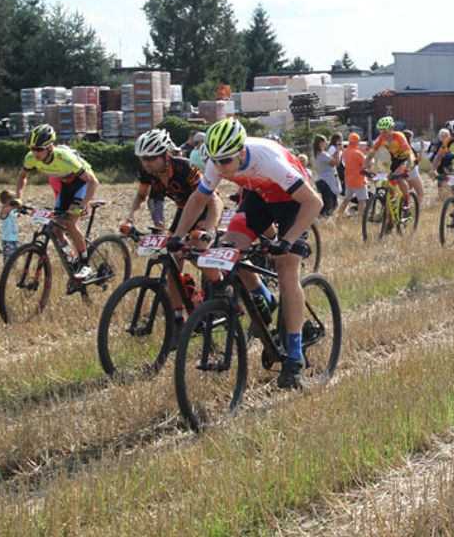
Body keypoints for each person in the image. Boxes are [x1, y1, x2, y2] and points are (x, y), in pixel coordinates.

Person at [171, 117, 322, 390]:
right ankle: (267, 302)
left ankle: (295, 357)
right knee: (230, 253)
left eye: (225, 162)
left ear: (241, 153)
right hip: (259, 197)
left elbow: (314, 202)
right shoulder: (219, 159)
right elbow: (198, 199)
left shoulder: (269, 161)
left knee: (286, 269)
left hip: (294, 203)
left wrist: (287, 241)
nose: (220, 168)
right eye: (215, 161)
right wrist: (178, 236)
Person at [122, 128, 221, 334]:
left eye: (150, 158)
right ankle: (178, 318)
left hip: (204, 209)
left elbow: (214, 200)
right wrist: (130, 219)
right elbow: (144, 198)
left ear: (165, 155)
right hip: (183, 212)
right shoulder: (148, 173)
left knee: (197, 255)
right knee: (172, 263)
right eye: (142, 159)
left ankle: (221, 286)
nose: (145, 163)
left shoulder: (185, 167)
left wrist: (208, 229)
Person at [15, 124, 100, 286]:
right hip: (66, 185)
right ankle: (72, 259)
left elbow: (92, 182)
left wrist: (82, 205)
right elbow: (22, 177)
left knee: (69, 222)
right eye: (32, 148)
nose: (35, 152)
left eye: (39, 149)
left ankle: (84, 263)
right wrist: (19, 198)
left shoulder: (64, 158)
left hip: (83, 184)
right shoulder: (31, 158)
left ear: (50, 147)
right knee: (55, 228)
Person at [365, 117, 415, 207]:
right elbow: (370, 155)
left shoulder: (399, 136)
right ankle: (391, 205)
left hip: (406, 158)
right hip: (395, 159)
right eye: (381, 131)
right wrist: (363, 167)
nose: (383, 134)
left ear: (392, 129)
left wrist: (406, 169)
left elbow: (409, 156)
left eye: (385, 131)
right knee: (389, 180)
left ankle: (407, 199)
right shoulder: (381, 138)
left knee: (399, 178)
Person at [336, 133, 368, 219]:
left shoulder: (345, 152)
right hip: (359, 180)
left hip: (348, 180)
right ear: (357, 142)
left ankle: (339, 216)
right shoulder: (358, 153)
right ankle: (361, 219)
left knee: (346, 199)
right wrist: (371, 160)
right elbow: (366, 164)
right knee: (362, 201)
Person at [312, 134, 340, 216]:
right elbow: (336, 162)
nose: (326, 143)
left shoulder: (316, 154)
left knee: (325, 201)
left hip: (321, 178)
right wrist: (338, 151)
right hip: (328, 180)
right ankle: (326, 217)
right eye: (324, 142)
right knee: (331, 202)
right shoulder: (323, 154)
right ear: (320, 143)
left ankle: (321, 216)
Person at [402, 129, 426, 206]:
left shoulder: (401, 148)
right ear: (409, 138)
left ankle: (404, 207)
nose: (412, 139)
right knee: (421, 193)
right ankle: (415, 211)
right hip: (412, 172)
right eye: (412, 137)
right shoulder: (410, 149)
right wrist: (422, 148)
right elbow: (419, 160)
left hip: (403, 172)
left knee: (407, 192)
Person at [0, 189, 21, 260]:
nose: (15, 202)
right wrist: (14, 206)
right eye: (13, 200)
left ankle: (13, 270)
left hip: (15, 239)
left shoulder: (13, 211)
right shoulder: (4, 211)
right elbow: (4, 212)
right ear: (6, 201)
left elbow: (18, 214)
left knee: (14, 259)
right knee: (9, 260)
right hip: (7, 240)